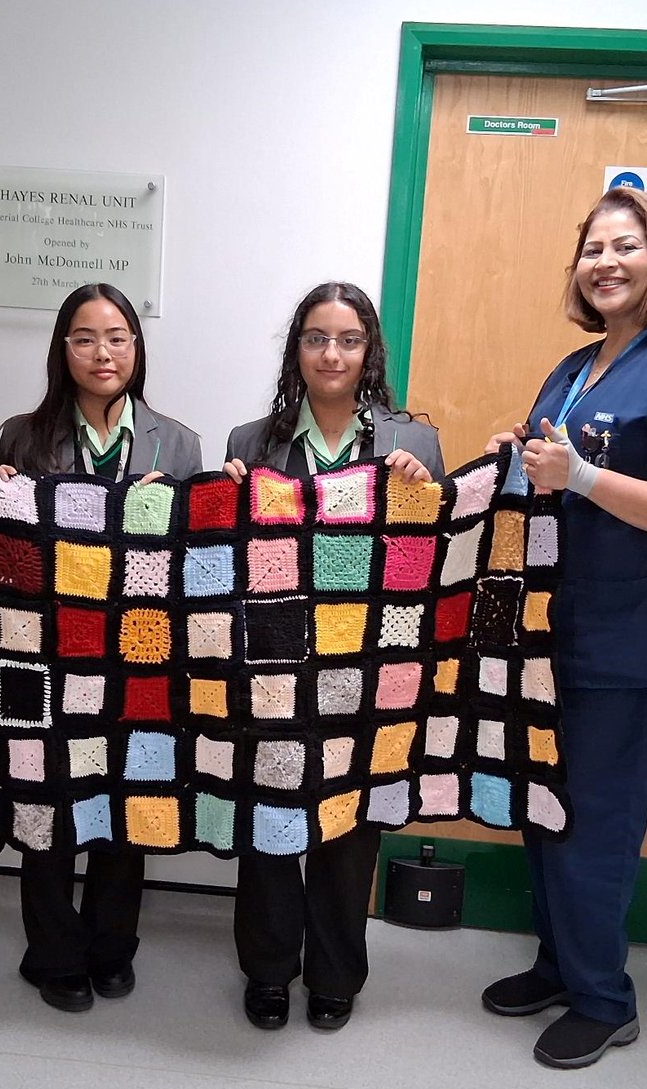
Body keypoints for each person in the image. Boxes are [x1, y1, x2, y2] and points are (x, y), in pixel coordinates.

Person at [481, 188, 647, 1068]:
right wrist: (519, 453)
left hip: (623, 640)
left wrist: (582, 476)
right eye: (593, 248)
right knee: (546, 812)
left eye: (625, 246)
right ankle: (560, 964)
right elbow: (555, 469)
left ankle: (603, 998)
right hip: (551, 630)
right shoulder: (573, 366)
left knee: (595, 823)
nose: (607, 262)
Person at [223, 281, 445, 1030]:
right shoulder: (250, 441)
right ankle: (265, 968)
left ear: (368, 351)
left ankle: (335, 975)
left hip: (368, 673)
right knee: (269, 820)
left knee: (350, 829)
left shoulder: (412, 442)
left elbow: (434, 560)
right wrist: (222, 503)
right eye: (316, 337)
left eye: (347, 339)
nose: (331, 353)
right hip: (274, 667)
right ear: (297, 348)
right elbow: (228, 560)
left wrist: (423, 496)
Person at [0, 282, 202, 1013]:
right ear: (62, 349)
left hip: (139, 653)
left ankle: (112, 948)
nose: (102, 352)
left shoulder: (175, 441)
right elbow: (8, 559)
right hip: (50, 653)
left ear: (137, 349)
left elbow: (191, 564)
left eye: (117, 336)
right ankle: (53, 954)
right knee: (48, 801)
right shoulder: (21, 435)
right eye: (84, 337)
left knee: (126, 802)